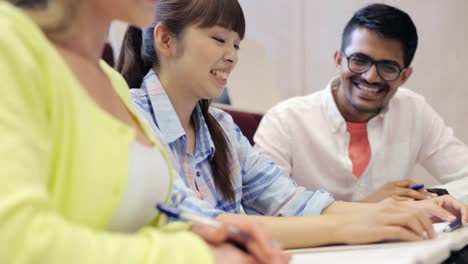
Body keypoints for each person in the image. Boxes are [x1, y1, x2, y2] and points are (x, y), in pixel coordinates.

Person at [119, 0, 468, 249]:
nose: (233, 55)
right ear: (166, 39)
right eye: (219, 39)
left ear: (405, 75)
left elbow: (290, 200)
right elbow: (198, 225)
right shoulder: (129, 114)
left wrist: (411, 208)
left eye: (237, 44)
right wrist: (359, 223)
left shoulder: (221, 126)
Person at [0, 0, 288, 263]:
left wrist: (203, 230)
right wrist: (199, 255)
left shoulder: (110, 82)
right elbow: (14, 242)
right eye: (219, 39)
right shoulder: (9, 42)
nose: (232, 56)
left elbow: (144, 213)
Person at [254, 3, 468, 203]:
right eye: (359, 60)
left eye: (388, 67)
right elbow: (265, 207)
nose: (371, 77)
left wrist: (422, 198)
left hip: (399, 244)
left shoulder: (414, 111)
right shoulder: (284, 120)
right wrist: (370, 209)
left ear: (404, 76)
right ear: (339, 60)